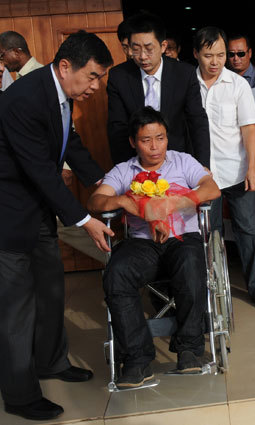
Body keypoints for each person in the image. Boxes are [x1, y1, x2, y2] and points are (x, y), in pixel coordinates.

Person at [0, 30, 114, 421]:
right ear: (66, 67)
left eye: (100, 79)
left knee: (51, 292)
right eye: (94, 77)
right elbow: (40, 171)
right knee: (16, 309)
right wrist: (85, 220)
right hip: (9, 218)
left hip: (39, 216)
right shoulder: (24, 99)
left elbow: (71, 148)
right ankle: (18, 393)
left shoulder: (61, 96)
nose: (96, 87)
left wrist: (106, 186)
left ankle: (51, 362)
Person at [88, 106, 220, 389]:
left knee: (190, 265)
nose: (154, 146)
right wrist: (124, 201)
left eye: (160, 138)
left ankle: (189, 348)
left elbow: (212, 189)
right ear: (133, 142)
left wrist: (176, 201)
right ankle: (137, 359)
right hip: (142, 245)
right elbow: (95, 202)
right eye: (146, 140)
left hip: (182, 239)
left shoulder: (183, 162)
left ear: (167, 137)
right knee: (117, 273)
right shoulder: (124, 170)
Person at [193, 27, 255, 307]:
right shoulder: (187, 85)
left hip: (237, 171)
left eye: (220, 55)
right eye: (208, 55)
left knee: (249, 229)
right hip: (202, 176)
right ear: (196, 54)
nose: (215, 61)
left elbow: (249, 130)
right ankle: (212, 288)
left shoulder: (238, 85)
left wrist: (252, 169)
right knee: (209, 234)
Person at [107, 12, 210, 167]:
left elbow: (197, 121)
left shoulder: (184, 74)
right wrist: (124, 169)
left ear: (163, 46)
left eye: (149, 49)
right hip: (136, 162)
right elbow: (118, 128)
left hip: (178, 160)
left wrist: (203, 166)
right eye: (136, 49)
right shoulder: (119, 77)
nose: (142, 56)